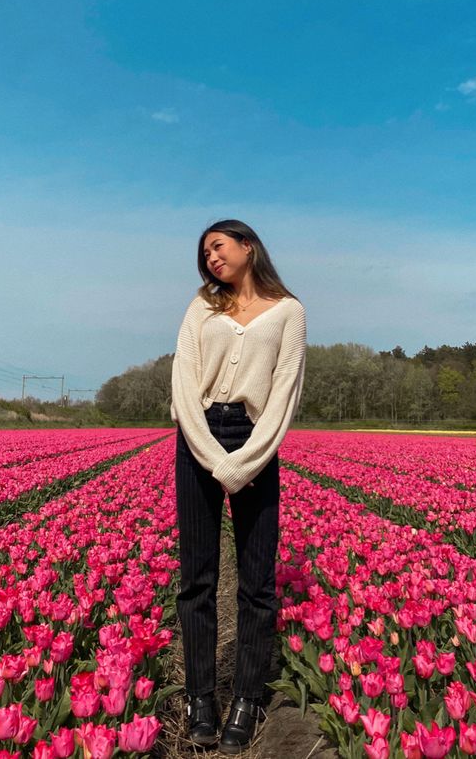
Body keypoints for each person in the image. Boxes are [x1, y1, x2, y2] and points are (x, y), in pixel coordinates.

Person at [170, 219, 307, 754]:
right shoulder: (202, 306)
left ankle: (248, 699)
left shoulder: (289, 311)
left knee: (257, 580)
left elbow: (284, 394)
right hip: (198, 433)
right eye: (205, 253)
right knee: (197, 577)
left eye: (218, 247)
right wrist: (209, 455)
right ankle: (199, 698)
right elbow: (184, 379)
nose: (210, 259)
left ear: (248, 246)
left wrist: (245, 461)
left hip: (255, 439)